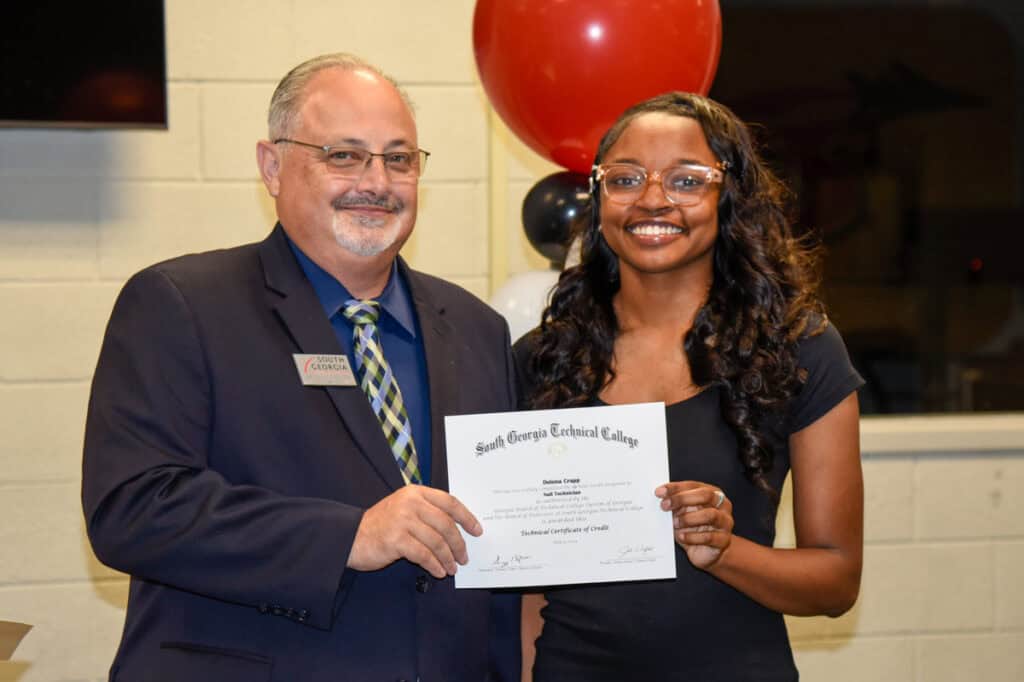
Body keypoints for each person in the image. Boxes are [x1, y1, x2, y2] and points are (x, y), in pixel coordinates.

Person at [82, 53, 519, 682]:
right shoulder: (181, 305)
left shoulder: (478, 328)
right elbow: (133, 510)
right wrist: (350, 535)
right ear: (271, 166)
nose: (376, 181)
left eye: (399, 159)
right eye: (343, 155)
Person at [514, 92, 864, 681]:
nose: (653, 199)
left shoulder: (797, 350)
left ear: (729, 196)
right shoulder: (544, 358)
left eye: (686, 179)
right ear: (599, 196)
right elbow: (524, 587)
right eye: (625, 178)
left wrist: (723, 551)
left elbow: (836, 581)